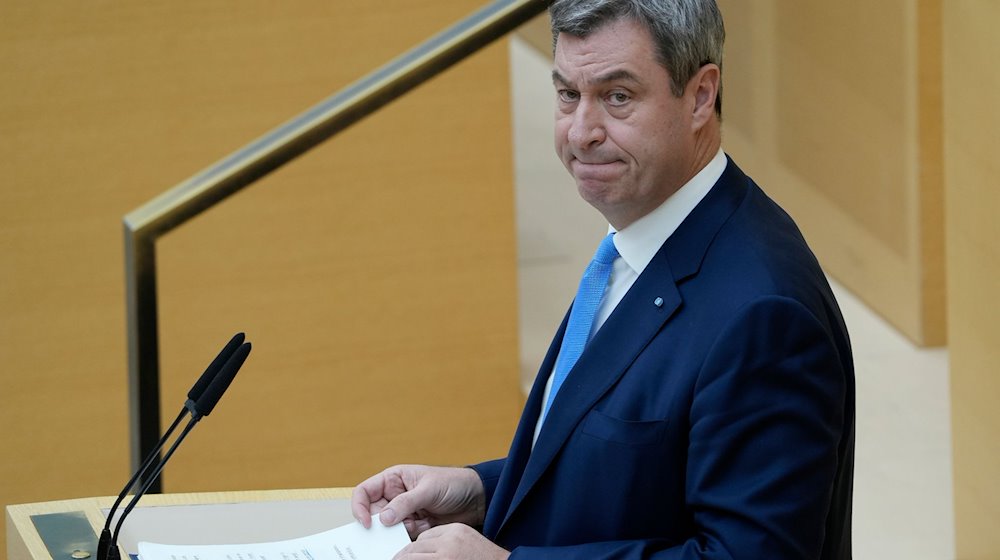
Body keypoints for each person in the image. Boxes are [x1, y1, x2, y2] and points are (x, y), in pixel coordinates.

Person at [351, 0, 855, 558]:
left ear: (701, 96)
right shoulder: (638, 243)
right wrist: (482, 491)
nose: (582, 132)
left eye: (618, 97)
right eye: (568, 94)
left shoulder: (764, 316)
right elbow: (635, 471)